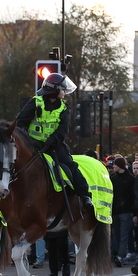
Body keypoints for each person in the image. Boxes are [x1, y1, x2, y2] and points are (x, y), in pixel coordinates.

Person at [16, 72, 94, 213]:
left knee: (70, 165)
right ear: (54, 90)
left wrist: (52, 141)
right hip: (32, 145)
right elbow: (20, 122)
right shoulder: (35, 102)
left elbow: (63, 130)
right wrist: (26, 141)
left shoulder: (64, 108)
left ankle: (85, 196)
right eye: (62, 89)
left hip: (54, 145)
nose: (64, 92)